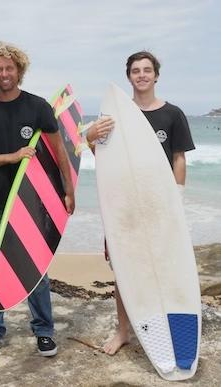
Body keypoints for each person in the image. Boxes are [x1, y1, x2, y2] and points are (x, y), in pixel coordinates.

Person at [85, 51, 195, 355]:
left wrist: (177, 197)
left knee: (168, 264)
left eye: (147, 70)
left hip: (161, 205)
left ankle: (170, 322)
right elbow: (105, 160)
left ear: (156, 75)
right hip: (125, 206)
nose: (142, 75)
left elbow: (179, 158)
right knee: (125, 267)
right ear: (129, 76)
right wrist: (90, 137)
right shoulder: (116, 117)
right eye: (136, 71)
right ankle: (124, 331)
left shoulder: (172, 114)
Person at [0, 41, 75, 359]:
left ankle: (43, 330)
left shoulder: (38, 107)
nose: (4, 73)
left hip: (32, 203)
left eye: (9, 68)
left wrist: (68, 191)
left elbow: (60, 152)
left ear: (19, 70)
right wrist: (13, 157)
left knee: (37, 267)